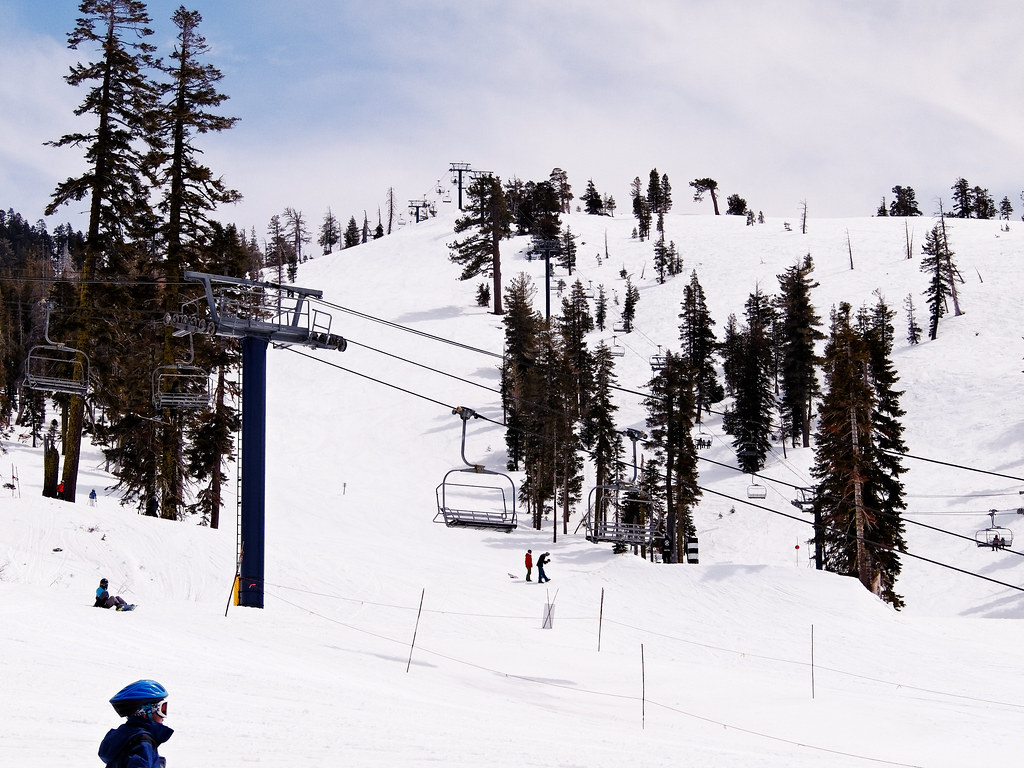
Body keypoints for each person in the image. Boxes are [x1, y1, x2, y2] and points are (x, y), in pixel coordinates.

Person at [100, 679, 173, 768]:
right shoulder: (142, 742)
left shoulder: (126, 736)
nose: (163, 717)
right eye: (162, 709)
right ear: (145, 712)